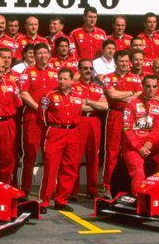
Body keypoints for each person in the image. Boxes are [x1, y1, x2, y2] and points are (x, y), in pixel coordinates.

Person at [122, 76, 159, 193]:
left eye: (154, 86)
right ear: (142, 87)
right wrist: (139, 148)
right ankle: (140, 203)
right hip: (133, 147)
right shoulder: (131, 104)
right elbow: (127, 129)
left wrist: (149, 143)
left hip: (150, 144)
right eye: (148, 86)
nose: (151, 89)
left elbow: (158, 128)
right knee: (138, 173)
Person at [38, 69, 82, 211]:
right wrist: (50, 129)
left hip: (73, 132)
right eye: (60, 79)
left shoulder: (78, 96)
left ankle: (61, 200)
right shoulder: (49, 95)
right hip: (55, 132)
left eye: (65, 79)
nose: (62, 81)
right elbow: (42, 115)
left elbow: (79, 113)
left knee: (69, 168)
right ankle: (44, 201)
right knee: (51, 168)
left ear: (71, 80)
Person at [18, 43, 59, 195]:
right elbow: (23, 93)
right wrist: (39, 108)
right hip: (32, 117)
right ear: (34, 56)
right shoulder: (27, 72)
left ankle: (49, 191)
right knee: (30, 154)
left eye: (45, 53)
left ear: (49, 55)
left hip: (50, 120)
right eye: (39, 53)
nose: (43, 56)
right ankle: (26, 190)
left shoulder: (55, 73)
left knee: (51, 155)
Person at [100, 49, 142, 195]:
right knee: (112, 151)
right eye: (121, 61)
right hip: (116, 115)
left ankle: (129, 184)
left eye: (126, 61)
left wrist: (122, 95)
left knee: (131, 151)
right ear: (115, 62)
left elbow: (140, 96)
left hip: (132, 117)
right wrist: (131, 94)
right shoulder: (108, 78)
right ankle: (107, 185)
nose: (124, 64)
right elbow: (112, 95)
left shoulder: (136, 78)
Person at [73, 59, 108, 199]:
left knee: (94, 156)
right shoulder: (74, 87)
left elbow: (105, 106)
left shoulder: (98, 88)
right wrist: (95, 105)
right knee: (75, 157)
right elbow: (77, 106)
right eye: (85, 68)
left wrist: (87, 101)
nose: (88, 71)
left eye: (90, 68)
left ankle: (92, 189)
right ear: (79, 70)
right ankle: (73, 190)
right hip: (80, 121)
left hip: (95, 122)